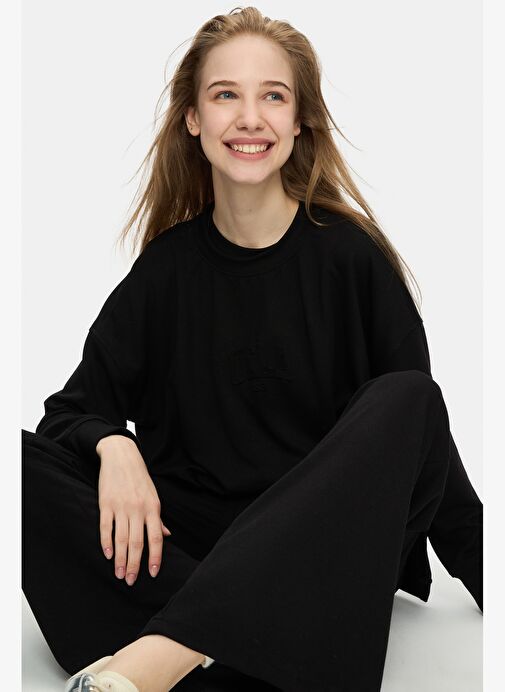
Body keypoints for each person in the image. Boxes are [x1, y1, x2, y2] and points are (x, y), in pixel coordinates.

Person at [22, 7, 483, 692]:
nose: (249, 118)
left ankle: (164, 653)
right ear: (192, 118)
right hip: (191, 553)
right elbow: (70, 412)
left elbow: (419, 443)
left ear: (299, 122)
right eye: (224, 95)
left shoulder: (350, 261)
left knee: (410, 396)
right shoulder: (165, 272)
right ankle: (233, 651)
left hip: (319, 558)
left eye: (272, 96)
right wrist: (113, 445)